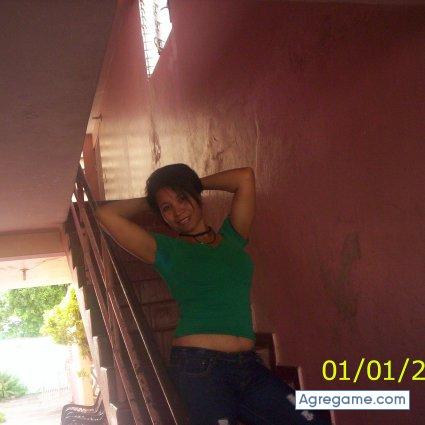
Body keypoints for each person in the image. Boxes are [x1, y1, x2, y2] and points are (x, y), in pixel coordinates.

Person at [95, 163, 330, 425]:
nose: (177, 211)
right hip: (199, 367)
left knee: (311, 420)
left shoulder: (233, 237)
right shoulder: (164, 250)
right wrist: (153, 198)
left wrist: (191, 183)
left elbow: (244, 177)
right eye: (166, 208)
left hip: (248, 366)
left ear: (196, 196)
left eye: (182, 198)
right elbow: (105, 214)